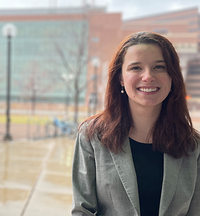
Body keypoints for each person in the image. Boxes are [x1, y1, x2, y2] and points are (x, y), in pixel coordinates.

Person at [71, 31, 200, 216]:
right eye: (136, 68)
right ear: (121, 78)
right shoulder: (91, 136)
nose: (148, 76)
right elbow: (83, 211)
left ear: (173, 78)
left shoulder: (193, 145)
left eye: (159, 67)